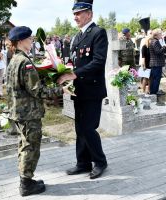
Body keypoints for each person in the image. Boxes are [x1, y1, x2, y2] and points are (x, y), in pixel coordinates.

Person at [57, 0, 108, 180]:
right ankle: (83, 163)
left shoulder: (98, 33)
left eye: (79, 13)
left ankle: (100, 162)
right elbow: (73, 62)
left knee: (88, 127)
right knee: (80, 128)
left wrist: (74, 74)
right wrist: (64, 72)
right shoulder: (77, 37)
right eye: (74, 14)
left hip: (93, 89)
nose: (75, 17)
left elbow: (98, 61)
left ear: (90, 14)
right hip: (79, 90)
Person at [6, 26, 47, 196]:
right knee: (31, 147)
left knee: (24, 146)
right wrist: (62, 88)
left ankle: (26, 179)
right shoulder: (24, 62)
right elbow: (37, 90)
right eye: (30, 39)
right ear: (21, 41)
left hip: (18, 112)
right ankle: (26, 184)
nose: (32, 41)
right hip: (28, 112)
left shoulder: (14, 59)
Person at [149, 29, 166, 94]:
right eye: (160, 34)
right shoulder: (155, 41)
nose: (161, 35)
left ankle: (153, 92)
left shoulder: (152, 41)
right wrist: (164, 46)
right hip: (156, 63)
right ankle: (154, 92)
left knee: (153, 79)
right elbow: (158, 51)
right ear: (156, 35)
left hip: (154, 63)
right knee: (156, 79)